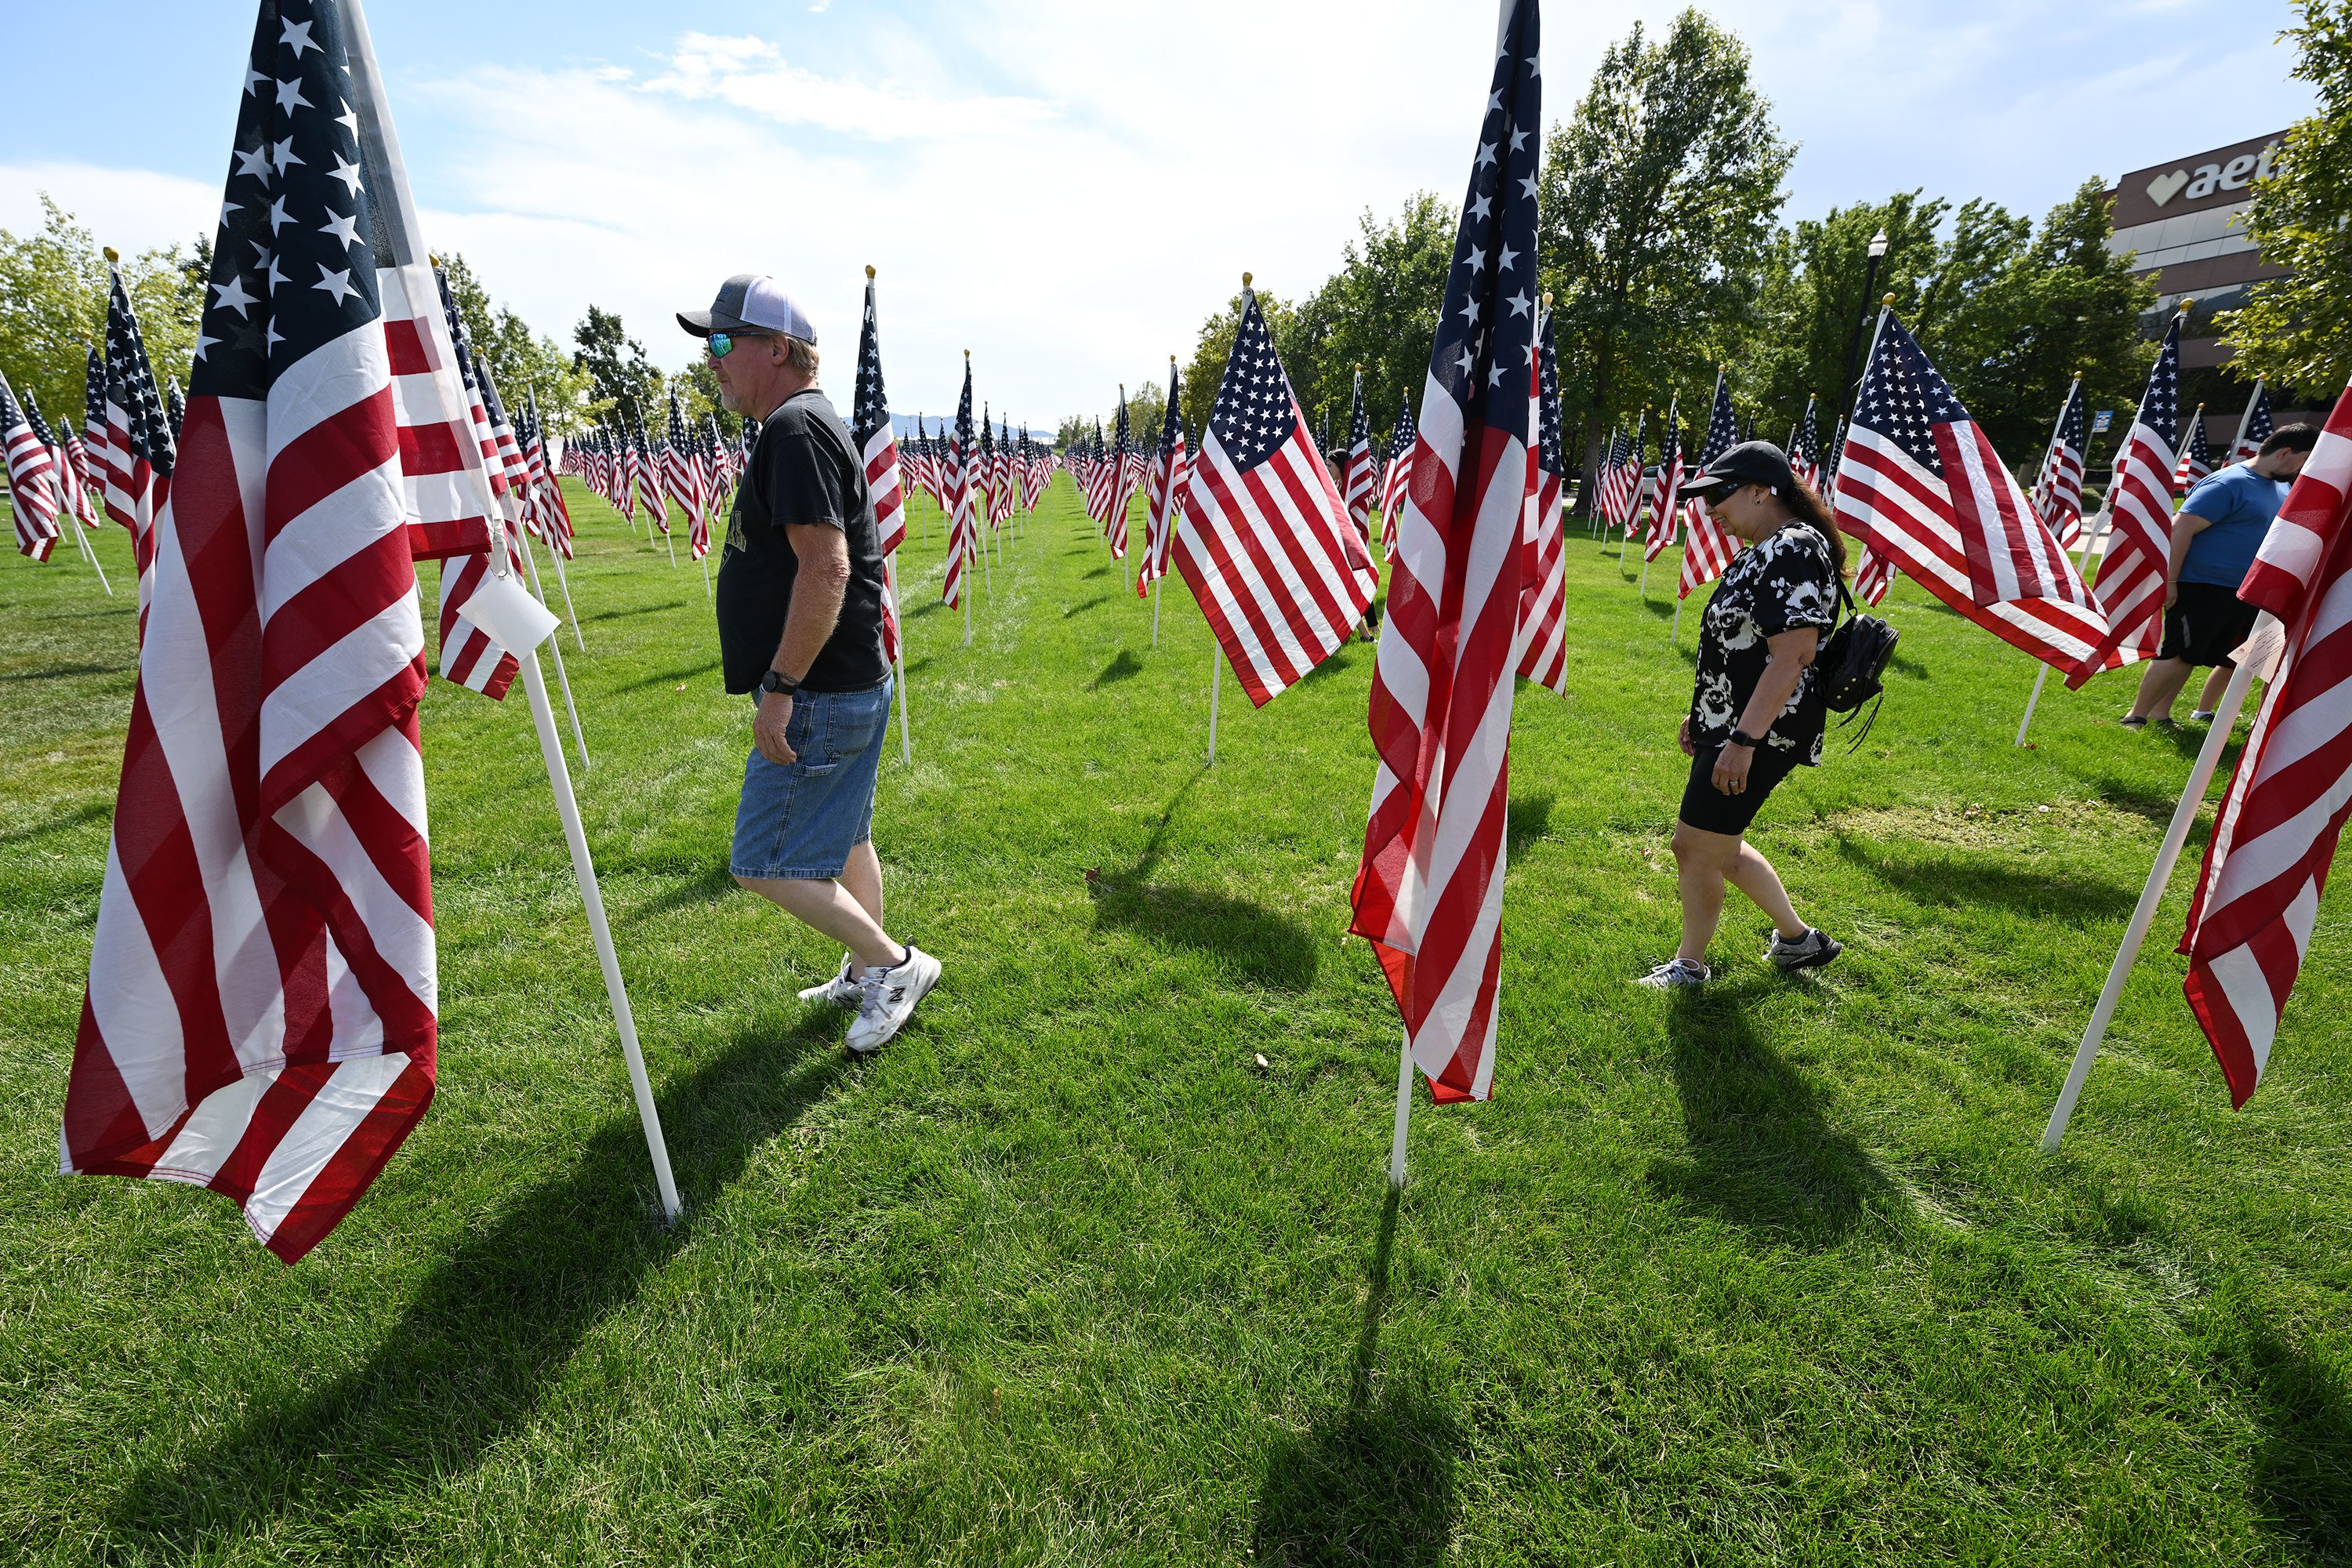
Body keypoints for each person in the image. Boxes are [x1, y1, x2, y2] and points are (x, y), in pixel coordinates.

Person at [678, 274, 939, 1054]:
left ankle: (894, 964)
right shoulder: (803, 424)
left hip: (820, 689)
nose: (712, 361)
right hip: (845, 680)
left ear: (779, 350)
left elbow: (824, 568)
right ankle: (867, 969)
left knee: (762, 859)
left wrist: (781, 688)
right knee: (848, 839)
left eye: (724, 343)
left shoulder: (794, 429)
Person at [1638, 441, 1844, 989]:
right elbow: (1743, 647)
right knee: (1718, 844)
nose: (1712, 510)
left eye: (1720, 495)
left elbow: (1793, 655)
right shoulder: (1772, 547)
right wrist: (1707, 718)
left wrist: (1742, 740)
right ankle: (1799, 942)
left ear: (1761, 489)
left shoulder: (1793, 547)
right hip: (1738, 725)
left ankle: (1690, 965)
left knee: (1693, 846)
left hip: (1763, 732)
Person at [2122, 423, 2318, 728]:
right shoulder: (2229, 482)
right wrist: (2171, 582)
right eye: (2303, 461)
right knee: (2178, 653)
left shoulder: (2282, 486)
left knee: (2197, 655)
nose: (2303, 469)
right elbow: (2181, 529)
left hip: (2246, 590)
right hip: (2202, 585)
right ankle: (2135, 717)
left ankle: (2160, 714)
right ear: (2285, 453)